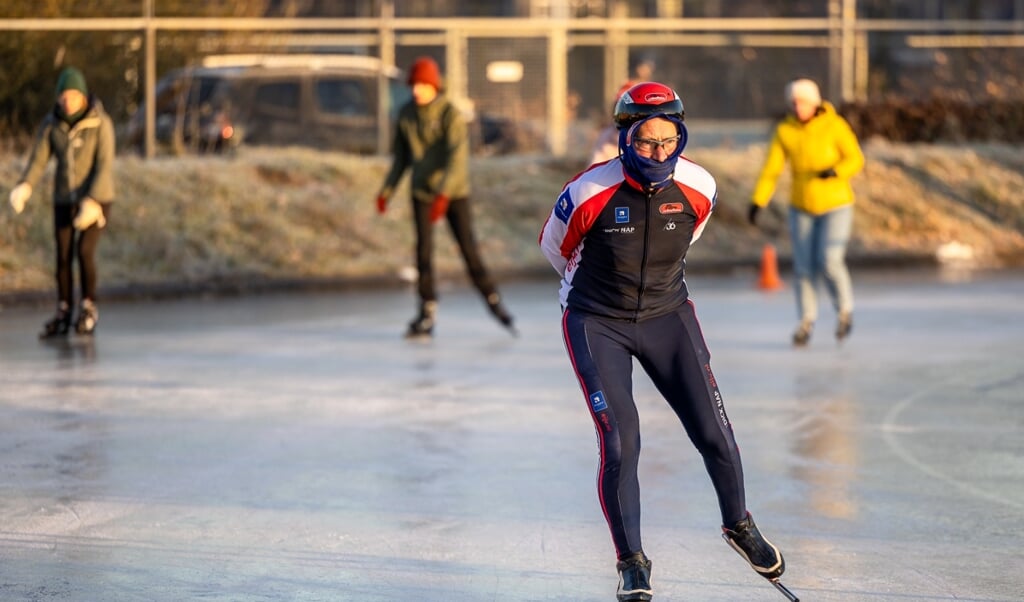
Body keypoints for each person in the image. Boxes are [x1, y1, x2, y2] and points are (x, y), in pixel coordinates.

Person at [539, 82, 786, 601]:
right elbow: (555, 251)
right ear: (625, 139)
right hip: (596, 320)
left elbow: (686, 238)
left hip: (667, 314)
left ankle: (737, 524)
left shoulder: (699, 186)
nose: (659, 152)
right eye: (647, 141)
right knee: (620, 440)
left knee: (714, 429)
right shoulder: (587, 191)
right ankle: (632, 562)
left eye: (669, 140)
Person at [376, 56, 515, 339]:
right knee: (423, 252)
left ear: (434, 86)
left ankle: (492, 299)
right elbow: (401, 158)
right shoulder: (406, 115)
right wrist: (386, 191)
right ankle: (426, 310)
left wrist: (443, 194)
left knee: (468, 248)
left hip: (453, 192)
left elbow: (456, 159)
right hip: (422, 191)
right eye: (414, 85)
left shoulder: (450, 114)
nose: (417, 91)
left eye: (423, 85)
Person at [748, 77, 865, 346]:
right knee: (803, 268)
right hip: (801, 207)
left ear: (814, 103)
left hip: (836, 203)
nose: (797, 108)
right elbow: (771, 170)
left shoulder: (834, 125)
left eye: (802, 102)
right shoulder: (785, 130)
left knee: (829, 260)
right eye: (793, 103)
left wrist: (836, 171)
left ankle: (844, 310)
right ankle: (806, 321)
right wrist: (758, 201)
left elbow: (855, 158)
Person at [9, 66, 115, 338]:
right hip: (64, 198)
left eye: (73, 96)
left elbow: (105, 166)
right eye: (63, 96)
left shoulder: (100, 123)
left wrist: (93, 201)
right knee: (63, 256)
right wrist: (25, 185)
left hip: (96, 199)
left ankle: (89, 306)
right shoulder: (51, 124)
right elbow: (39, 160)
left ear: (83, 96)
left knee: (85, 252)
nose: (68, 102)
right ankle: (64, 309)